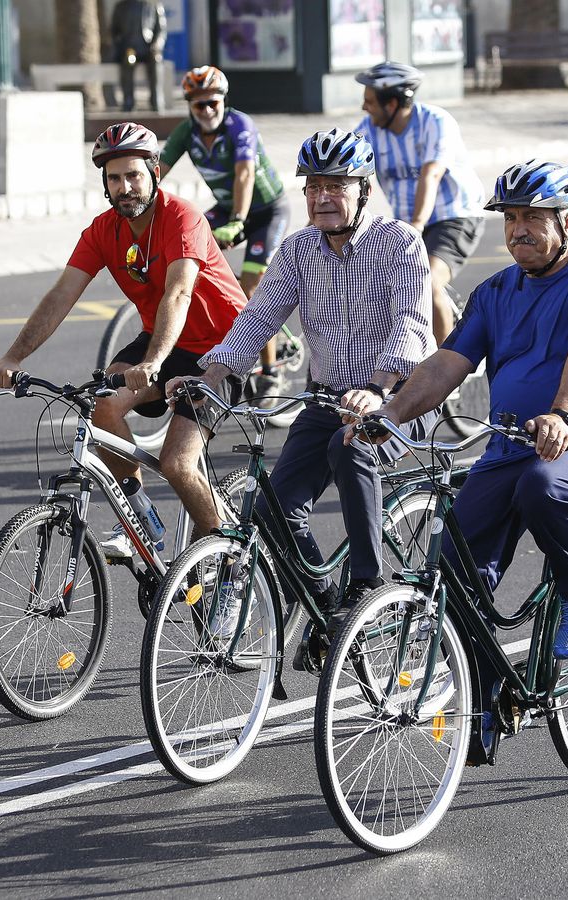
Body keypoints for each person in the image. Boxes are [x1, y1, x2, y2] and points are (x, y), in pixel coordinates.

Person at [362, 159, 568, 667]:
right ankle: (487, 697)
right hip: (511, 442)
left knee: (545, 487)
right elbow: (446, 364)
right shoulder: (493, 292)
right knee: (455, 566)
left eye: (532, 217)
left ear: (567, 222)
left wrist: (563, 415)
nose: (518, 230)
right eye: (510, 218)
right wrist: (393, 412)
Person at [169, 128, 435, 639]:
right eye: (313, 187)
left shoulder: (399, 243)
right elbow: (258, 320)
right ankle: (327, 606)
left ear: (364, 190)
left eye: (336, 185)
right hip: (328, 399)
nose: (321, 197)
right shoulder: (298, 249)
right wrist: (208, 376)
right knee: (273, 511)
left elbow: (411, 325)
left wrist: (377, 390)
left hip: (400, 398)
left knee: (350, 445)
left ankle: (365, 586)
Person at [0, 122, 247, 552]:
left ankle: (226, 559)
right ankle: (140, 517)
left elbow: (178, 293)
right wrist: (13, 357)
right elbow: (61, 295)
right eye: (114, 178)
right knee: (102, 405)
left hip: (224, 347)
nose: (124, 187)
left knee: (177, 464)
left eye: (133, 176)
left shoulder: (182, 218)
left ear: (155, 173)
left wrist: (153, 362)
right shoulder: (103, 230)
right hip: (164, 339)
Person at [160, 65, 292, 391]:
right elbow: (157, 171)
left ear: (224, 101)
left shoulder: (240, 125)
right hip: (226, 209)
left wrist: (237, 220)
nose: (207, 110)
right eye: (199, 104)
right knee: (186, 248)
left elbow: (244, 174)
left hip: (266, 211)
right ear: (190, 106)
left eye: (213, 103)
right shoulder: (185, 133)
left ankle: (270, 370)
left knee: (251, 288)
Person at [354, 61, 487, 343]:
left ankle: (447, 366)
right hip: (408, 222)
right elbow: (345, 176)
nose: (364, 107)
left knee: (427, 282)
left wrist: (416, 225)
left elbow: (432, 173)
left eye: (370, 101)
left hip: (454, 215)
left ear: (392, 104)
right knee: (381, 288)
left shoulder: (435, 121)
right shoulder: (369, 130)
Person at [109, 0, 166, 113]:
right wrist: (120, 46)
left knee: (156, 60)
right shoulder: (121, 7)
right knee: (128, 60)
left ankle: (156, 99)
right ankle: (128, 101)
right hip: (130, 49)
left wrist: (156, 45)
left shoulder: (153, 6)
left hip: (148, 49)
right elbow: (113, 31)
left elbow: (161, 31)